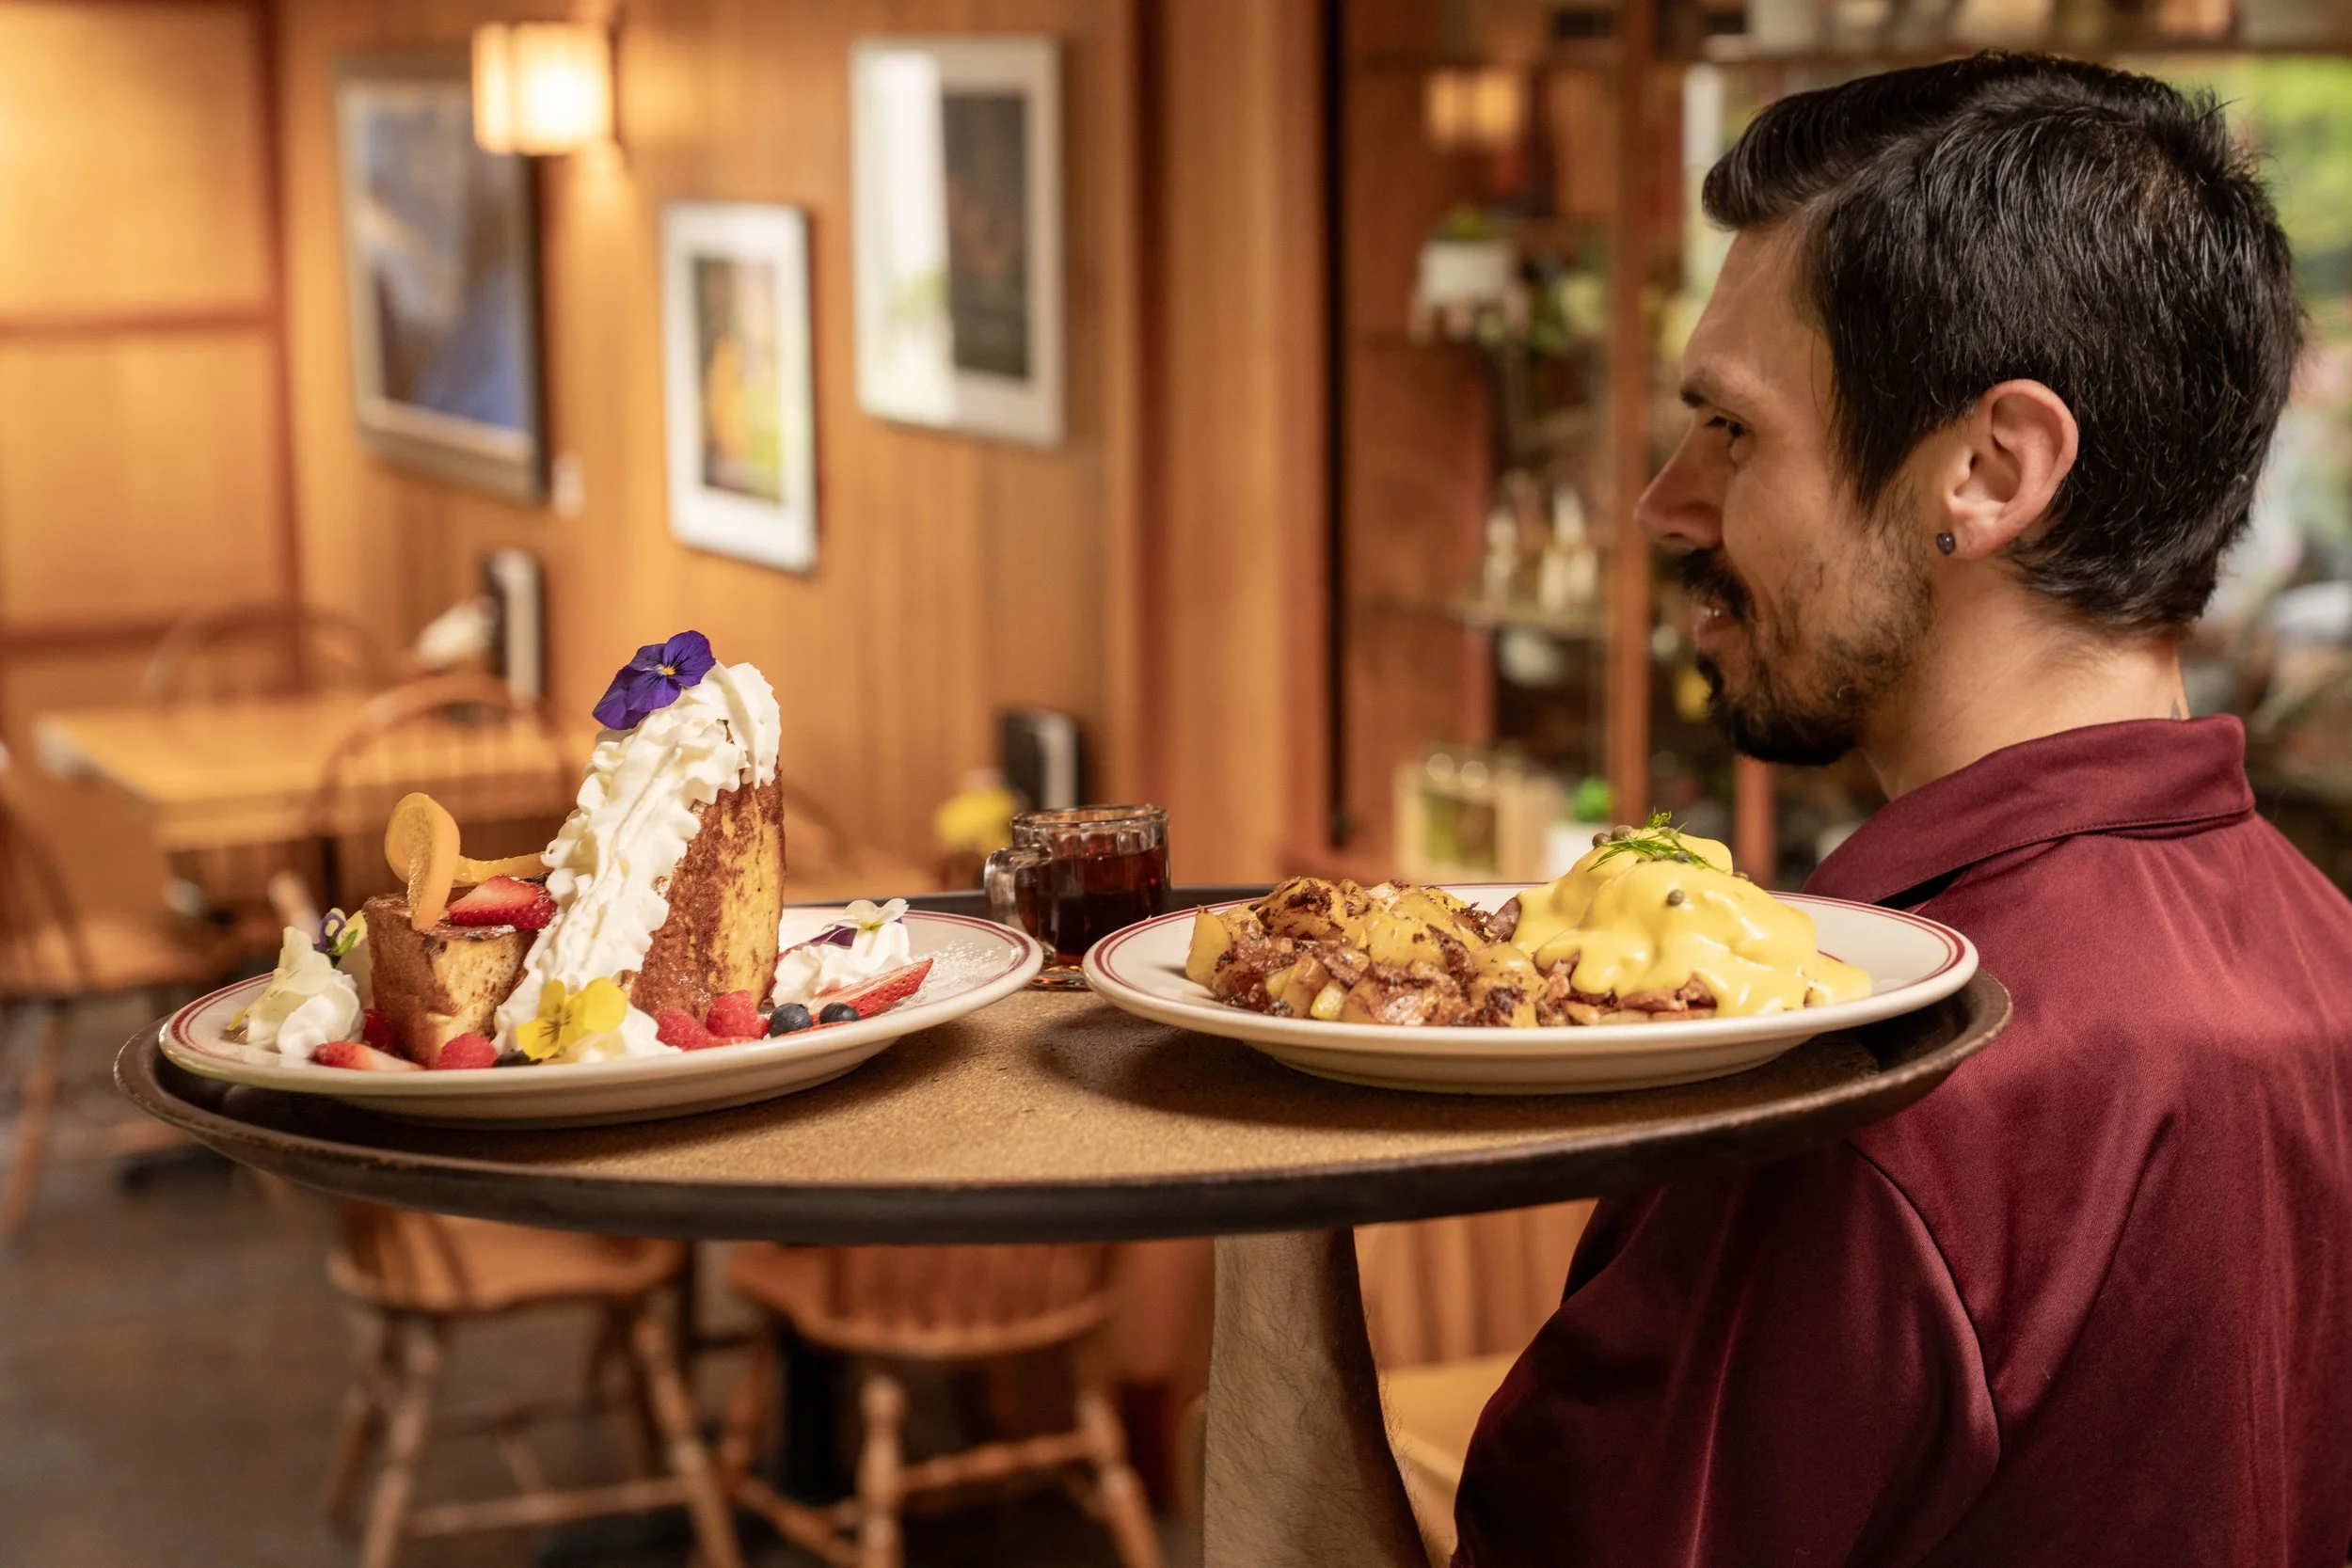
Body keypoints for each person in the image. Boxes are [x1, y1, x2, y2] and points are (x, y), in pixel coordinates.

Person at [1206, 52, 2352, 1567]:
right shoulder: (2326, 951)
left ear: (1990, 468)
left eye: (1734, 428)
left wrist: (1262, 1159)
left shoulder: (1862, 1099)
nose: (1665, 501)